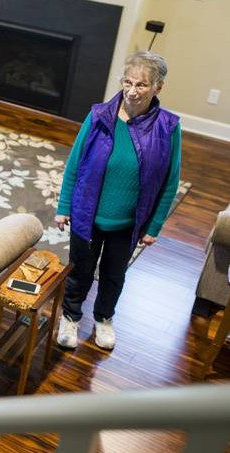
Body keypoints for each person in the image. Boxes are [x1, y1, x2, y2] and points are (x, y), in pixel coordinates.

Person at [55, 51, 181, 351]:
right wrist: (63, 206)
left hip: (127, 222)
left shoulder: (168, 127)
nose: (132, 91)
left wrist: (154, 226)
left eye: (142, 85)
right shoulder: (99, 115)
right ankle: (70, 317)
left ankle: (104, 318)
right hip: (87, 215)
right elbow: (75, 163)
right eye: (128, 82)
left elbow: (170, 181)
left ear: (158, 87)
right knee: (80, 271)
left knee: (114, 276)